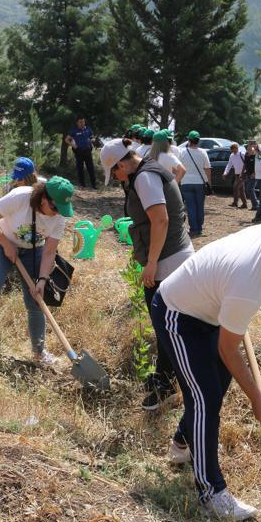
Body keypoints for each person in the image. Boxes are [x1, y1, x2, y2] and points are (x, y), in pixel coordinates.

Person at [150, 212, 261, 518]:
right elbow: (228, 348)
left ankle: (182, 444)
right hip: (178, 314)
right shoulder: (248, 279)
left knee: (216, 387)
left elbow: (228, 342)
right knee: (205, 397)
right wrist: (258, 400)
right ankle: (212, 493)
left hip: (213, 307)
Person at [101, 139, 195, 410]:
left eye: (115, 173)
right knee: (166, 325)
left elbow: (161, 219)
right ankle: (165, 379)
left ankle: (167, 386)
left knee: (167, 328)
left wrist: (151, 261)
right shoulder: (149, 169)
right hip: (171, 257)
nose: (117, 178)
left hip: (168, 263)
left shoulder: (144, 179)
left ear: (121, 163)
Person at [0, 177, 76, 366]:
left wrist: (43, 279)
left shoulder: (60, 215)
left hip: (34, 251)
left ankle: (39, 352)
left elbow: (50, 251)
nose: (57, 214)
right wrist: (5, 244)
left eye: (61, 210)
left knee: (36, 300)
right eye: (55, 208)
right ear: (44, 197)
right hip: (1, 241)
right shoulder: (20, 197)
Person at [179, 130, 212, 237]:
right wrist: (209, 183)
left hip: (186, 182)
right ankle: (199, 228)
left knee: (191, 207)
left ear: (188, 140)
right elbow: (207, 169)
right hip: (200, 183)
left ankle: (193, 229)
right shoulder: (203, 152)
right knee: (200, 206)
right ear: (198, 141)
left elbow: (178, 167)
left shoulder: (182, 152)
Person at [66, 116, 96, 189]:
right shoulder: (74, 130)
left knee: (91, 168)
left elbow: (93, 137)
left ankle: (94, 185)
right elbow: (66, 139)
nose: (82, 123)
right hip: (78, 151)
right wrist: (73, 145)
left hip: (87, 150)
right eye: (80, 122)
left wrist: (92, 140)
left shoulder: (88, 129)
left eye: (83, 121)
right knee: (80, 168)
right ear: (77, 123)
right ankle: (82, 185)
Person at [223, 142, 246, 208]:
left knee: (235, 187)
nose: (232, 150)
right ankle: (244, 204)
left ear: (237, 148)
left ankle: (235, 203)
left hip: (243, 174)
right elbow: (229, 165)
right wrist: (225, 173)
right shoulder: (232, 155)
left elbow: (247, 163)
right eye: (231, 149)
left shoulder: (242, 154)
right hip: (237, 174)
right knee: (241, 190)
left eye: (233, 148)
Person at [242, 141, 257, 211]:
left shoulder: (256, 155)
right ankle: (255, 204)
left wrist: (254, 173)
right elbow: (245, 164)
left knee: (250, 189)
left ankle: (256, 205)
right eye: (248, 147)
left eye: (250, 147)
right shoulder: (246, 154)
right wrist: (242, 172)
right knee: (249, 189)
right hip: (248, 174)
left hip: (254, 175)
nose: (249, 149)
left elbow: (257, 166)